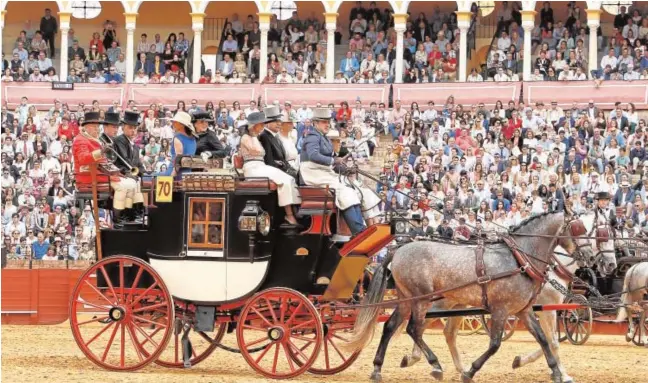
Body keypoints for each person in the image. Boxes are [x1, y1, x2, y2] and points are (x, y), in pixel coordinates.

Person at [300, 108, 367, 236]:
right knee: (342, 190)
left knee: (351, 190)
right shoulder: (313, 136)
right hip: (312, 173)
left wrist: (346, 170)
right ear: (315, 123)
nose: (327, 125)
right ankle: (357, 231)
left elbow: (331, 163)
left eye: (328, 122)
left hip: (322, 171)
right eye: (324, 122)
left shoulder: (323, 137)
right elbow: (313, 156)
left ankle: (360, 227)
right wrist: (333, 160)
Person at [72, 111, 140, 227]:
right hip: (89, 176)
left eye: (98, 127)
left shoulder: (93, 139)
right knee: (122, 187)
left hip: (100, 173)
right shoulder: (80, 140)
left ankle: (127, 215)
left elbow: (103, 161)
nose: (97, 130)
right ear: (86, 127)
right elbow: (83, 159)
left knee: (132, 183)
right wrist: (101, 151)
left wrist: (115, 171)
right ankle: (118, 220)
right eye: (94, 127)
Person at [239, 112, 301, 225]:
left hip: (261, 166)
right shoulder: (246, 137)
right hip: (252, 168)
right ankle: (289, 215)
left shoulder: (256, 137)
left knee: (289, 179)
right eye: (261, 124)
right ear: (254, 125)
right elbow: (255, 151)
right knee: (284, 180)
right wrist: (253, 135)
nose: (263, 126)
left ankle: (292, 211)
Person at [113, 111, 146, 222]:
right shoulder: (119, 140)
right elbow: (125, 161)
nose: (133, 131)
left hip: (131, 176)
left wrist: (145, 173)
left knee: (141, 182)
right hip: (121, 174)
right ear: (123, 127)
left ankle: (138, 214)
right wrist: (137, 173)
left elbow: (139, 166)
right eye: (130, 128)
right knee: (134, 183)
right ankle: (132, 215)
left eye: (135, 128)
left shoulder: (135, 147)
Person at [258, 106, 297, 178]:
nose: (279, 124)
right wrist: (287, 170)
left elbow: (283, 158)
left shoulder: (275, 136)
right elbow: (269, 161)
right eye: (276, 121)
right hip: (275, 172)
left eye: (280, 121)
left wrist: (291, 169)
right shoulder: (264, 136)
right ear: (267, 123)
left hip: (283, 169)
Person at [164, 111, 197, 178]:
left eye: (175, 122)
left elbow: (178, 160)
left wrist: (172, 176)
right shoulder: (193, 138)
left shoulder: (178, 137)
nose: (172, 123)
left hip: (176, 173)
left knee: (149, 176)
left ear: (181, 124)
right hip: (187, 172)